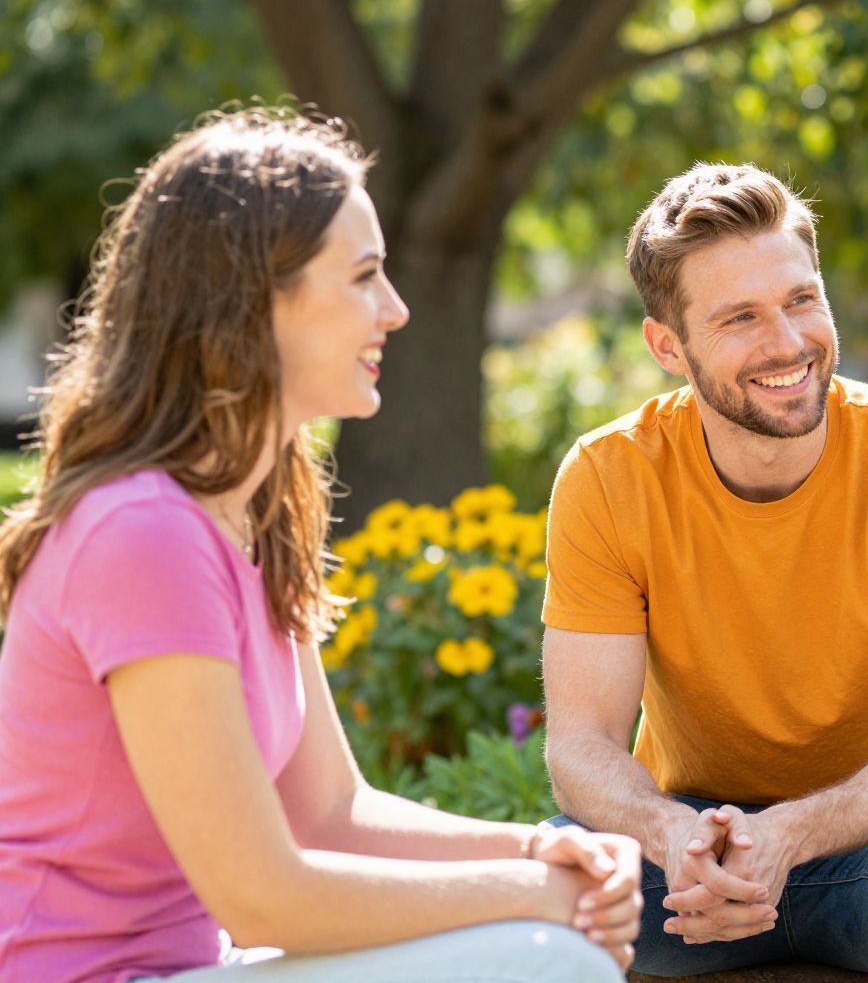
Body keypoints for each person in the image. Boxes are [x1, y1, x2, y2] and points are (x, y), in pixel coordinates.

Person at [0, 109, 641, 983]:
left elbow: (331, 815)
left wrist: (543, 851)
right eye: (365, 277)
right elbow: (262, 896)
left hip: (194, 966)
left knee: (553, 948)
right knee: (547, 960)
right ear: (251, 300)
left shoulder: (254, 516)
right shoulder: (142, 534)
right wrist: (533, 896)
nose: (396, 310)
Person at [538, 163, 868, 981]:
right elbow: (581, 745)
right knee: (556, 876)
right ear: (667, 346)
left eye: (801, 300)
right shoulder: (608, 475)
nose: (788, 342)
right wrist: (670, 834)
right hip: (690, 861)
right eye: (740, 318)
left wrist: (787, 835)